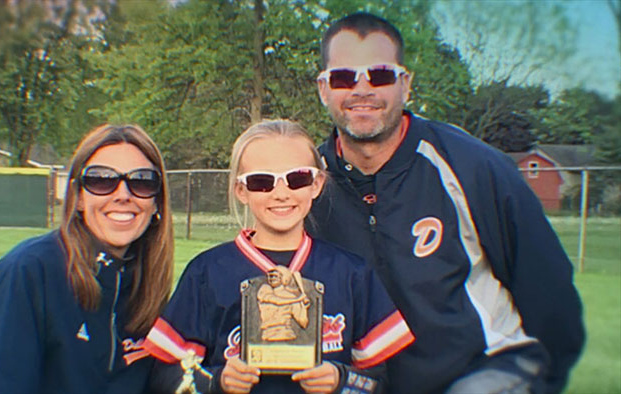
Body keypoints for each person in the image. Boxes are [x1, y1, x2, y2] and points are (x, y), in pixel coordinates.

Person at [307, 12, 585, 394]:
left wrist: (547, 380)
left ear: (405, 85)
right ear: (324, 89)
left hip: (480, 370)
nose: (362, 89)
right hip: (363, 381)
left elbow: (548, 290)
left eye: (380, 75)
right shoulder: (305, 183)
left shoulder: (473, 167)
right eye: (343, 77)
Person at [144, 119, 414, 393]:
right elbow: (164, 377)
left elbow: (380, 382)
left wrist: (340, 379)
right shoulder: (207, 273)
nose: (282, 193)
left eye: (298, 178)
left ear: (317, 184)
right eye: (262, 181)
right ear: (241, 190)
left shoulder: (352, 273)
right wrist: (215, 382)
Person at [0, 124, 175, 393]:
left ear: (157, 202)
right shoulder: (26, 274)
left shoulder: (145, 284)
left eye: (142, 181)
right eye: (101, 180)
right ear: (78, 197)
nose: (123, 195)